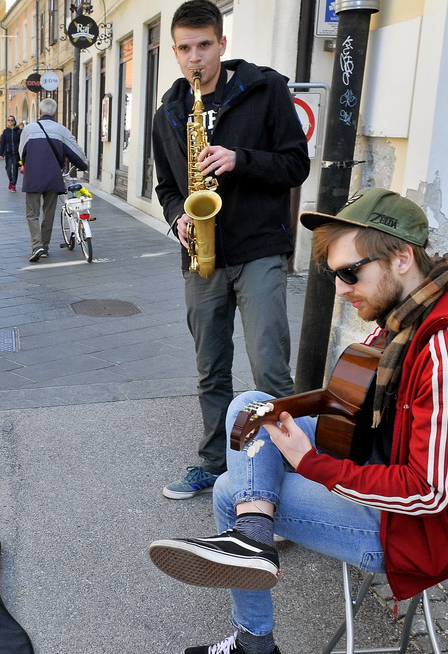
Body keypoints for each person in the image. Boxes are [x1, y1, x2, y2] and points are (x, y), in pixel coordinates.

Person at [148, 188, 448, 654]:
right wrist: (279, 412)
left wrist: (310, 464)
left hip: (415, 530)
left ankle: (253, 645)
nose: (341, 288)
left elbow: (428, 493)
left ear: (402, 257)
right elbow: (347, 399)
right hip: (373, 452)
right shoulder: (409, 313)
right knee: (250, 406)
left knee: (227, 490)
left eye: (350, 273)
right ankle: (254, 540)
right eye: (334, 275)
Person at [151, 0, 310, 500]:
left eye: (204, 45)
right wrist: (178, 215)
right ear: (174, 53)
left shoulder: (266, 90)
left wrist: (239, 159)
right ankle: (216, 462)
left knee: (269, 367)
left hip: (259, 248)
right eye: (185, 48)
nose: (195, 57)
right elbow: (166, 186)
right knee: (211, 368)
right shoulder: (169, 113)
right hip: (203, 256)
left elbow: (294, 166)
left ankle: (288, 470)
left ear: (222, 43)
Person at [18, 98, 89, 263]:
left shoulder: (28, 130)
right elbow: (78, 155)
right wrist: (82, 166)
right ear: (55, 112)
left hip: (33, 178)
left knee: (32, 214)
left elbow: (22, 153)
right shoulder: (62, 131)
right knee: (48, 214)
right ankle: (45, 247)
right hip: (53, 178)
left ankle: (37, 246)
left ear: (40, 112)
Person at [0, 115, 22, 192]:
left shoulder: (18, 131)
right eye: (9, 120)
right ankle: (11, 181)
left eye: (11, 120)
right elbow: (3, 143)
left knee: (15, 169)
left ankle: (14, 185)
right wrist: (0, 154)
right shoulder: (6, 131)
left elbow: (21, 142)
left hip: (16, 153)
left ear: (14, 122)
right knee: (8, 168)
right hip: (8, 153)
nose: (10, 122)